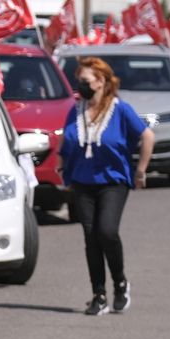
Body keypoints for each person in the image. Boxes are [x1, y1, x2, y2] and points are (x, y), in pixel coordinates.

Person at [60, 56, 155, 316]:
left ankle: (120, 283)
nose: (80, 85)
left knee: (107, 231)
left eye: (85, 80)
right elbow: (66, 142)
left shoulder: (120, 110)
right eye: (79, 80)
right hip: (82, 182)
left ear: (100, 81)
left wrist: (141, 171)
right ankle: (98, 294)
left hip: (113, 181)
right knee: (91, 239)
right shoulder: (75, 110)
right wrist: (63, 167)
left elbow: (147, 135)